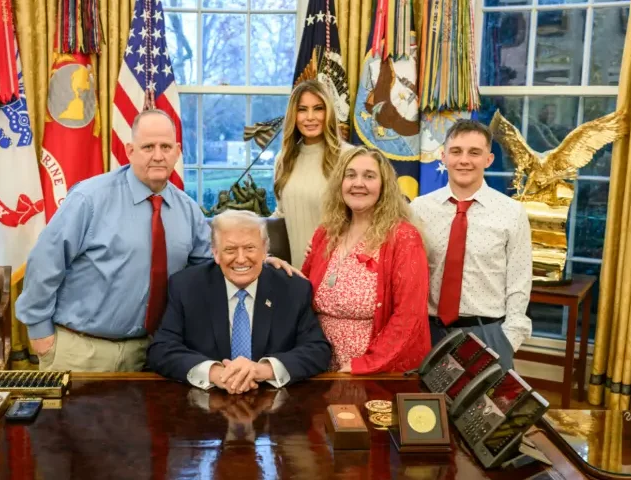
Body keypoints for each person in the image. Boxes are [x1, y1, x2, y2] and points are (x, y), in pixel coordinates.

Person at [16, 110, 297, 372]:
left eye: (165, 147)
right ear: (130, 151)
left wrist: (256, 260)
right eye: (148, 147)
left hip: (148, 353)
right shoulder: (89, 199)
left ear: (177, 152)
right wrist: (40, 332)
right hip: (80, 351)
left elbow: (210, 264)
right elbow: (45, 262)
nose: (158, 156)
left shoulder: (187, 210)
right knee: (71, 427)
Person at [147, 210, 332, 393]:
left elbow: (317, 350)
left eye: (250, 248)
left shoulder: (293, 289)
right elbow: (161, 350)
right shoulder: (186, 286)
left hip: (273, 403)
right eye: (230, 250)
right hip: (205, 401)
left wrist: (262, 370)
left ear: (265, 249)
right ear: (216, 253)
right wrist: (215, 373)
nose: (241, 259)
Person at [409, 119, 532, 371]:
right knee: (429, 410)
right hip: (429, 334)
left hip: (488, 335)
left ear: (488, 159)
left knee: (488, 410)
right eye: (456, 151)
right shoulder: (418, 209)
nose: (464, 160)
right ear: (443, 157)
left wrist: (508, 339)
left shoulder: (511, 213)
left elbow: (519, 282)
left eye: (474, 152)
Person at [302, 146, 431, 374]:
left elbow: (409, 317)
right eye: (350, 175)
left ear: (384, 187)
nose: (358, 183)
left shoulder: (403, 237)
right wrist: (278, 269)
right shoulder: (326, 233)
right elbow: (301, 296)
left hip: (374, 370)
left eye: (369, 176)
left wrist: (365, 364)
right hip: (319, 367)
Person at [273, 80, 352, 268]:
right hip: (293, 272)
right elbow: (280, 215)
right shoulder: (283, 159)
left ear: (329, 112)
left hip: (337, 269)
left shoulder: (348, 157)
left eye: (318, 108)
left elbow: (361, 219)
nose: (310, 117)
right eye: (302, 109)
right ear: (294, 114)